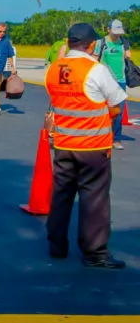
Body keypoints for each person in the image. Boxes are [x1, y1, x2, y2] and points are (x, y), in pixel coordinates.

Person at [46, 22, 128, 269]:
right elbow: (116, 104)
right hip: (92, 147)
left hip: (63, 145)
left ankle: (56, 245)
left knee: (61, 195)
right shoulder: (95, 69)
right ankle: (95, 253)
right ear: (92, 44)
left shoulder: (53, 69)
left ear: (68, 42)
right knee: (94, 200)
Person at [96, 19, 132, 151]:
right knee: (102, 111)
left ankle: (116, 139)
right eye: (115, 32)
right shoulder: (101, 43)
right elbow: (95, 60)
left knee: (118, 112)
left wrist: (127, 55)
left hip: (120, 81)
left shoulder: (124, 42)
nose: (117, 35)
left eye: (119, 32)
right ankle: (101, 137)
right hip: (105, 81)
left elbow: (127, 57)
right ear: (108, 29)